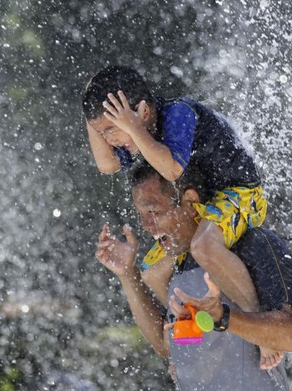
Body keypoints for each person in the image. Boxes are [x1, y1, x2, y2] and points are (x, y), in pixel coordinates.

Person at [82, 66, 278, 363]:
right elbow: (108, 165)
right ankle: (180, 340)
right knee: (153, 272)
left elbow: (172, 168)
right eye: (102, 133)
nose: (108, 141)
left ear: (143, 111)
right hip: (203, 207)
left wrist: (132, 128)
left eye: (110, 130)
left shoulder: (179, 113)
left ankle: (258, 327)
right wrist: (91, 116)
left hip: (241, 194)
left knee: (203, 246)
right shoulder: (139, 132)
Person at [95, 161, 292, 390]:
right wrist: (128, 275)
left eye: (155, 212)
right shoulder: (176, 265)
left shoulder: (253, 244)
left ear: (190, 202)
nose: (146, 225)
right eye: (142, 215)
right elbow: (164, 345)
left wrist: (223, 317)